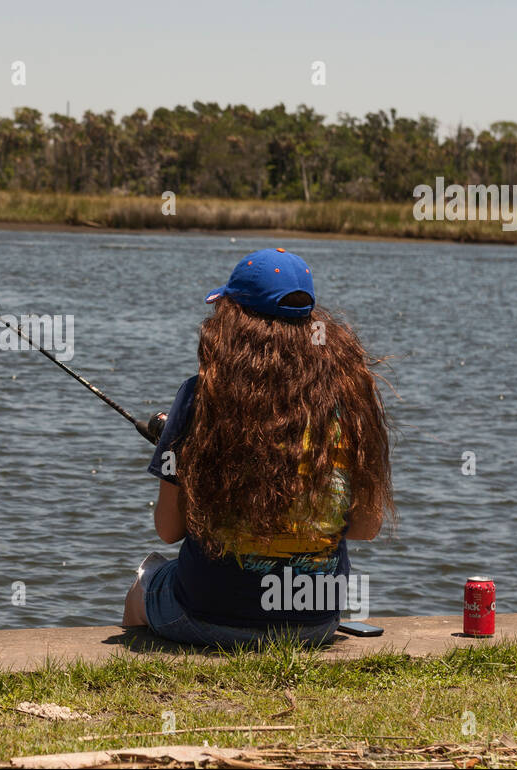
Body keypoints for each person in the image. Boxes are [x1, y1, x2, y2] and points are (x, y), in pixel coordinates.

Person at [123, 248, 393, 648]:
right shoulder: (350, 400)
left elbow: (168, 530)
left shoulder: (200, 396)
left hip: (205, 613)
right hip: (312, 624)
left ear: (234, 321)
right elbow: (367, 528)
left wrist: (178, 445)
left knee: (144, 586)